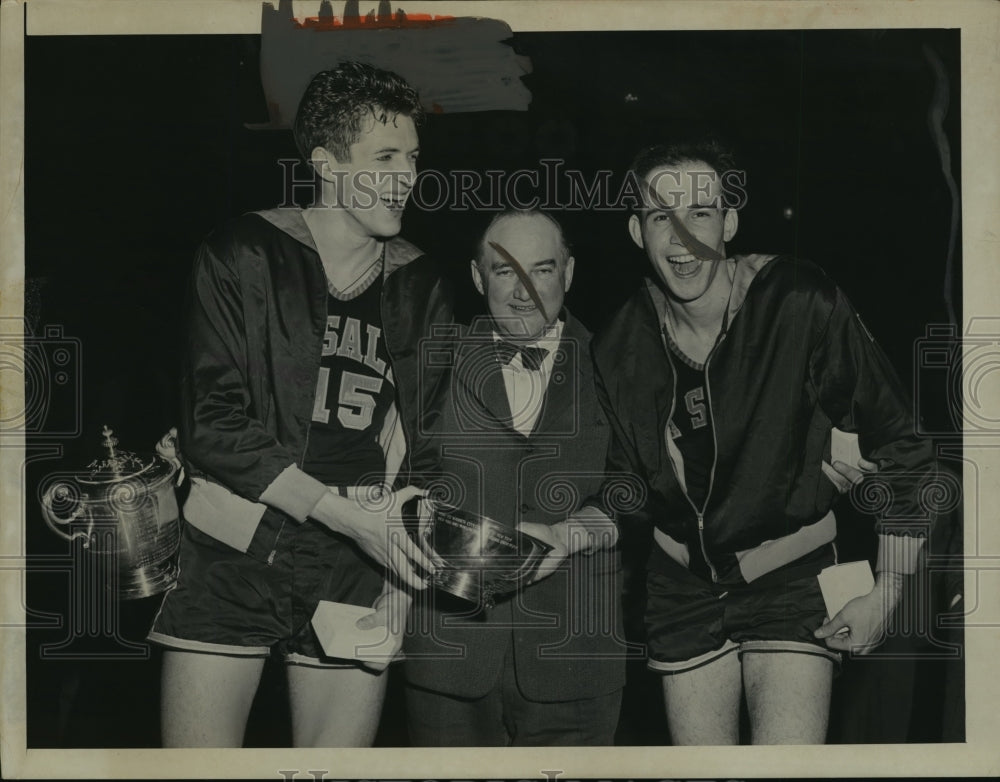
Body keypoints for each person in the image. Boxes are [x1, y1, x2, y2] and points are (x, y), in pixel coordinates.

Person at [586, 139, 936, 745]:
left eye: (700, 212)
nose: (681, 236)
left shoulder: (798, 300)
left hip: (790, 572)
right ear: (637, 232)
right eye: (658, 215)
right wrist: (565, 531)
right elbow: (628, 491)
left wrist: (890, 591)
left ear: (730, 221)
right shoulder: (619, 343)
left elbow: (902, 447)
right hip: (680, 587)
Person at [146, 61, 452, 748]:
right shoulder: (242, 252)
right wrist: (350, 519)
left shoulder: (422, 281)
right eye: (385, 157)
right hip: (236, 542)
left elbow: (427, 450)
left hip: (358, 563)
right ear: (327, 164)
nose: (406, 175)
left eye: (412, 157)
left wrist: (400, 584)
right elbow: (212, 425)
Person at [402, 209, 630, 746]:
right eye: (505, 271)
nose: (524, 290)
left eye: (543, 270)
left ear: (569, 274)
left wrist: (574, 533)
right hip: (447, 657)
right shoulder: (431, 364)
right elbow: (393, 478)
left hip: (578, 658)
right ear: (478, 278)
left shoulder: (618, 363)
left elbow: (636, 493)